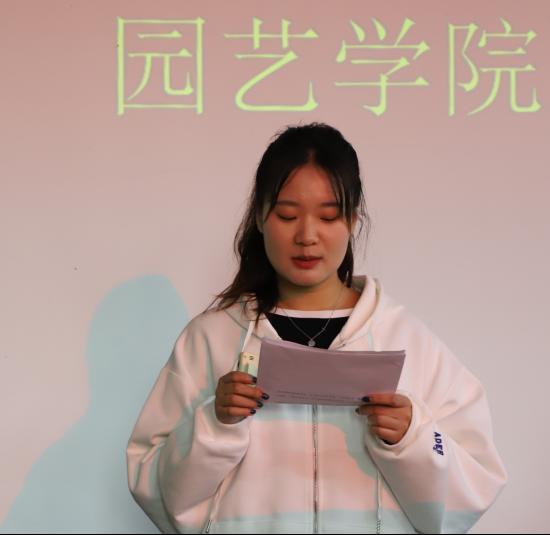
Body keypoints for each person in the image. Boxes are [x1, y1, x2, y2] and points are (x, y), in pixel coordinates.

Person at [126, 123, 507, 534]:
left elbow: (474, 489)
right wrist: (213, 424)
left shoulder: (405, 338)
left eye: (328, 216)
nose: (307, 236)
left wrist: (412, 438)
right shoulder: (211, 338)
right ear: (259, 217)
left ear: (353, 220)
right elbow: (155, 489)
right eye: (287, 215)